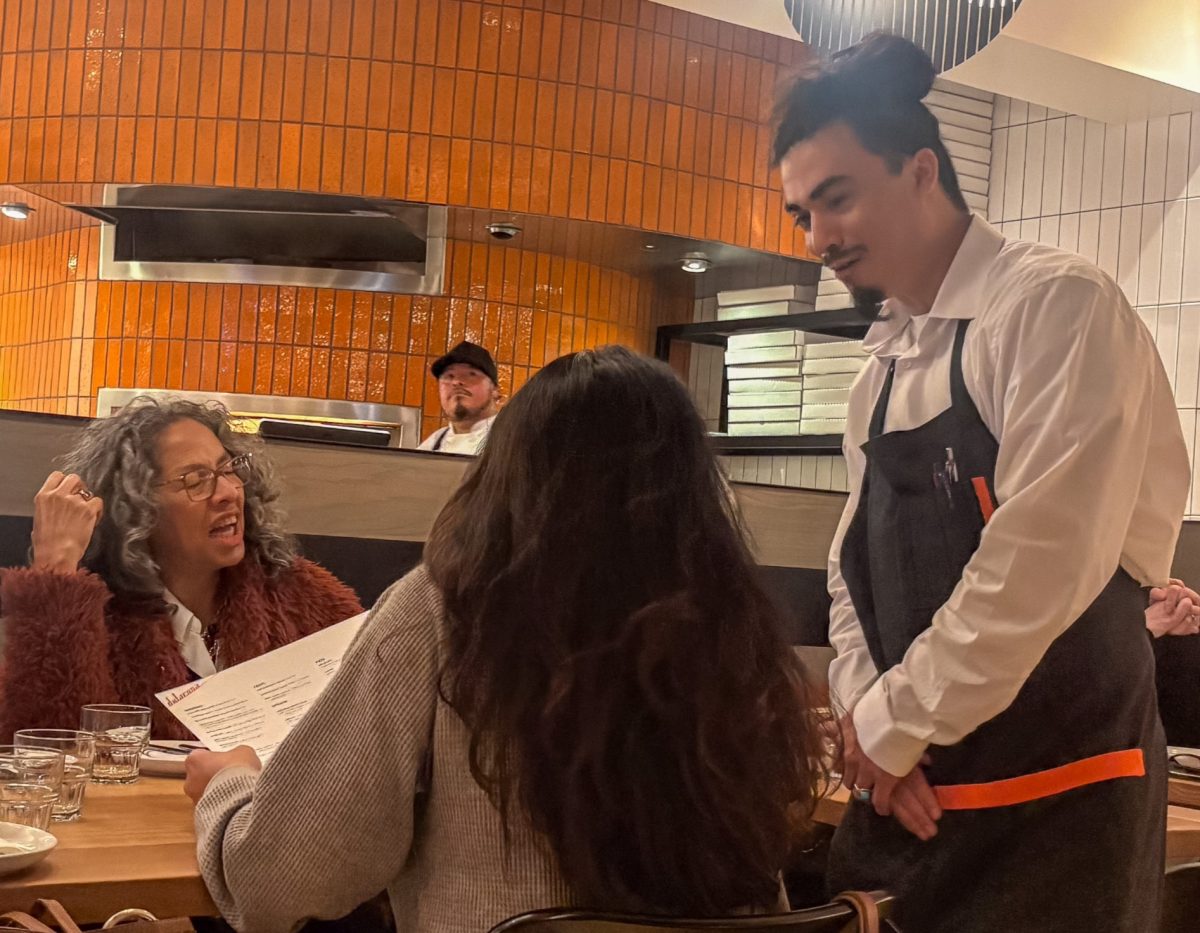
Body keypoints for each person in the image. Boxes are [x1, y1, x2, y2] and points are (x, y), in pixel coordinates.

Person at [183, 346, 826, 933]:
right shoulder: (734, 624)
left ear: (511, 470)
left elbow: (288, 879)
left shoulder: (446, 609)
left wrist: (231, 785)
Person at [773, 33, 1189, 932]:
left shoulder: (1055, 307)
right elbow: (853, 573)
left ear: (922, 170)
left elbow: (1043, 556)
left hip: (1060, 800)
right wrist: (865, 716)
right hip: (909, 802)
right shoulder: (879, 371)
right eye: (803, 213)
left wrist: (894, 724)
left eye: (836, 199)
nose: (820, 238)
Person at [0, 397, 363, 740]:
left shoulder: (301, 597)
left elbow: (376, 711)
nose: (228, 493)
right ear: (136, 507)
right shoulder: (96, 618)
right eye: (195, 480)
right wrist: (55, 571)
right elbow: (46, 746)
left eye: (228, 470)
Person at [417, 341, 501, 454]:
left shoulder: (515, 439)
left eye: (471, 374)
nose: (456, 382)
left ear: (495, 390)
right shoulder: (432, 444)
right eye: (449, 376)